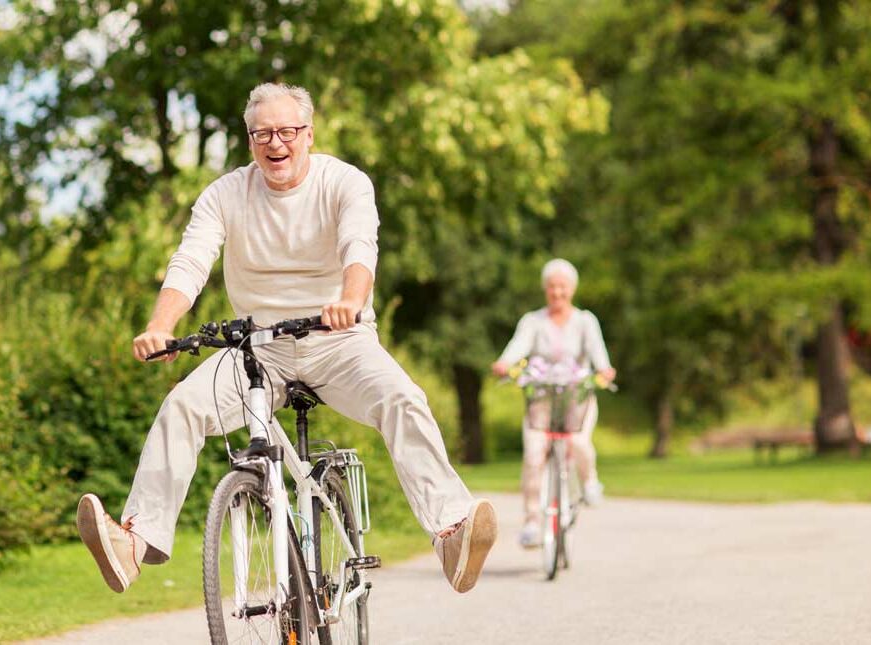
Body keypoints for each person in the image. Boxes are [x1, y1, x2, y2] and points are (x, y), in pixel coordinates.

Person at [76, 83, 497, 594]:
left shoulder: (344, 182)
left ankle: (451, 532)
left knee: (403, 399)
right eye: (262, 134)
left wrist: (350, 299)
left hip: (339, 340)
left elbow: (360, 246)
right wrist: (160, 326)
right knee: (182, 406)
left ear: (308, 135)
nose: (276, 143)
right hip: (258, 349)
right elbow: (190, 261)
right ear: (250, 140)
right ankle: (134, 543)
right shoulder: (225, 193)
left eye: (287, 131)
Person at [491, 258, 616, 549]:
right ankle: (533, 523)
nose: (557, 293)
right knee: (534, 454)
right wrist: (505, 363)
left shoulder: (585, 321)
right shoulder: (533, 321)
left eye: (562, 287)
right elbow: (517, 346)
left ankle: (589, 482)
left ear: (572, 289)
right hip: (542, 399)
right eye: (552, 287)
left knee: (579, 442)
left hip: (577, 398)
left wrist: (604, 370)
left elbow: (599, 354)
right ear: (545, 289)